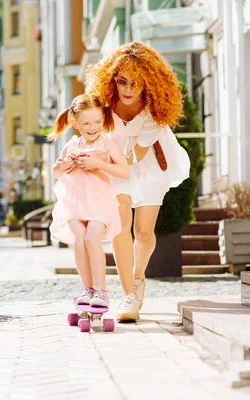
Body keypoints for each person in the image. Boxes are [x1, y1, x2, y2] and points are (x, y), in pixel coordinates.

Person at [86, 41, 191, 321]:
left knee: (144, 233)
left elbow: (135, 156)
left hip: (148, 164)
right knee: (120, 222)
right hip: (115, 165)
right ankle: (127, 296)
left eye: (136, 83)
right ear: (113, 80)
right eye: (122, 82)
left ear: (148, 82)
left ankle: (138, 277)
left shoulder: (155, 110)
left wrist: (102, 164)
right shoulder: (104, 106)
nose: (129, 90)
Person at [48, 93, 129, 307]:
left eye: (97, 121)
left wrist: (99, 164)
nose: (93, 127)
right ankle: (87, 289)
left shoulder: (108, 143)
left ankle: (101, 291)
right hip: (75, 202)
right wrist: (60, 167)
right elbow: (56, 172)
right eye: (86, 123)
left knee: (92, 238)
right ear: (75, 122)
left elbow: (124, 171)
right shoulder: (72, 145)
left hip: (100, 202)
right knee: (79, 241)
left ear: (103, 118)